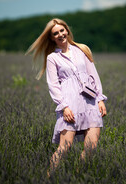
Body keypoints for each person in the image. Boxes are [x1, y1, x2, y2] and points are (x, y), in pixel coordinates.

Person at [26, 18, 107, 176]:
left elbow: (94, 76)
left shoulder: (82, 49)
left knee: (91, 147)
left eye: (62, 30)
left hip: (90, 103)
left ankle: (78, 177)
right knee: (64, 147)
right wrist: (64, 107)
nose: (60, 34)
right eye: (55, 33)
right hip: (70, 105)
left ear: (67, 31)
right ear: (51, 38)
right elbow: (53, 85)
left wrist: (100, 99)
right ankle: (48, 178)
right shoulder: (52, 58)